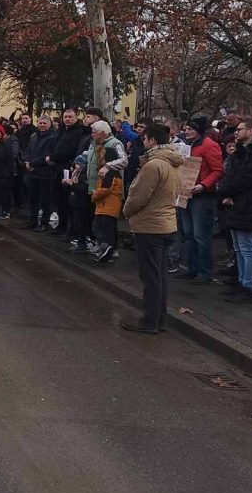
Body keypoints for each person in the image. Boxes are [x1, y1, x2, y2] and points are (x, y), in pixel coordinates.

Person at [120, 123, 184, 333]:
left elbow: (138, 196)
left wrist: (127, 210)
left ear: (152, 141)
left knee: (150, 276)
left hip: (150, 225)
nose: (143, 142)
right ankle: (159, 318)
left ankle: (149, 320)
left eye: (145, 138)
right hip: (166, 222)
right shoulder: (173, 162)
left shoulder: (153, 165)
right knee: (160, 275)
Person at [217, 119, 252, 304]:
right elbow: (232, 174)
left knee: (247, 247)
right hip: (239, 204)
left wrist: (226, 192)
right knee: (239, 246)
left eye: (240, 130)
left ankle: (248, 286)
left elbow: (245, 179)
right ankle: (241, 282)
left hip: (249, 207)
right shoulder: (244, 152)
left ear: (250, 131)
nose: (236, 133)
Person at [174, 115, 224, 283]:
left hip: (202, 196)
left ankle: (204, 272)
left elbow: (217, 170)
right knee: (188, 234)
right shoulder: (185, 146)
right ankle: (192, 268)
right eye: (186, 129)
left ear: (199, 131)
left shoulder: (210, 146)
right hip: (185, 192)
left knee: (200, 235)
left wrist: (203, 185)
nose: (186, 131)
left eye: (190, 129)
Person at [24, 115, 57, 232]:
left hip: (45, 173)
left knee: (45, 200)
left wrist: (32, 163)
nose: (42, 125)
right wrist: (27, 161)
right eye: (40, 123)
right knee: (33, 199)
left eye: (45, 123)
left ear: (49, 124)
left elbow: (46, 156)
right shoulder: (34, 136)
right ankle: (32, 221)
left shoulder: (52, 137)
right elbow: (28, 150)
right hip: (32, 173)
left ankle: (44, 222)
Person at [91, 146, 124, 263]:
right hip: (108, 206)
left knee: (105, 231)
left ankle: (107, 252)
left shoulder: (109, 172)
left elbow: (106, 188)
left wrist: (95, 195)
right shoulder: (114, 172)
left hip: (107, 206)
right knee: (108, 230)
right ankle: (109, 251)